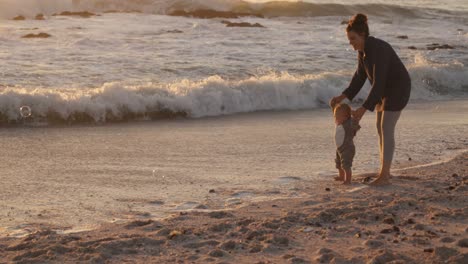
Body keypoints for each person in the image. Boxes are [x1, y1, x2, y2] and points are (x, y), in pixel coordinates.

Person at [330, 14, 411, 186]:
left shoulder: (378, 49)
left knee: (386, 128)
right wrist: (342, 96)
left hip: (398, 88)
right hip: (384, 91)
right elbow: (359, 77)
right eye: (349, 39)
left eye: (353, 38)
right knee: (380, 129)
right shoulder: (363, 51)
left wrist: (363, 108)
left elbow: (379, 82)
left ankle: (384, 176)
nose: (351, 42)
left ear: (362, 35)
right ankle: (385, 172)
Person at [331, 102, 361, 185]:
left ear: (345, 117)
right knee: (339, 163)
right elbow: (335, 109)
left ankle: (348, 179)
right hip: (340, 148)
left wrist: (355, 118)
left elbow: (355, 125)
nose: (335, 119)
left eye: (337, 117)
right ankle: (341, 176)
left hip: (347, 148)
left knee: (346, 165)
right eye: (335, 116)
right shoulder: (339, 123)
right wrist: (333, 104)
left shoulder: (348, 124)